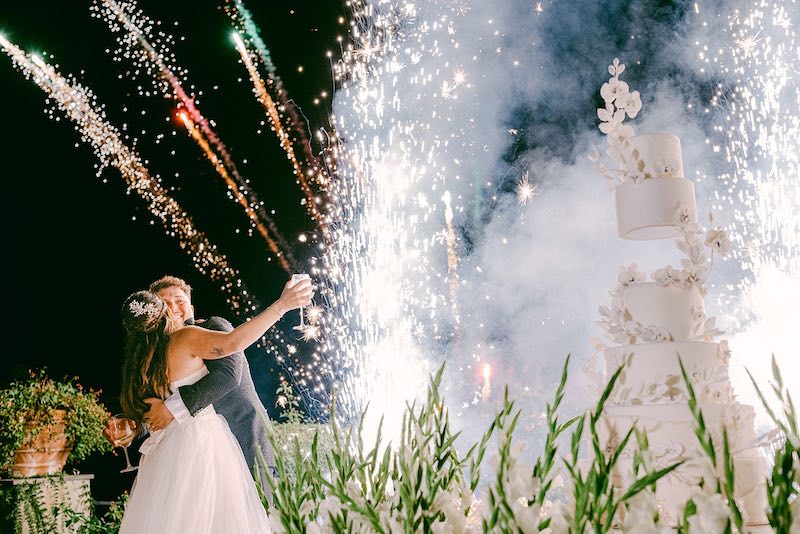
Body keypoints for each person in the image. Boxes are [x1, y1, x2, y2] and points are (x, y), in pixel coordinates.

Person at [116, 277, 312, 534]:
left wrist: (169, 411)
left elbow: (229, 376)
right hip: (200, 447)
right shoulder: (171, 345)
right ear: (156, 311)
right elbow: (155, 410)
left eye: (180, 301)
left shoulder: (204, 330)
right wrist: (135, 426)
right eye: (166, 303)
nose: (174, 308)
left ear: (192, 306)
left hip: (242, 439)